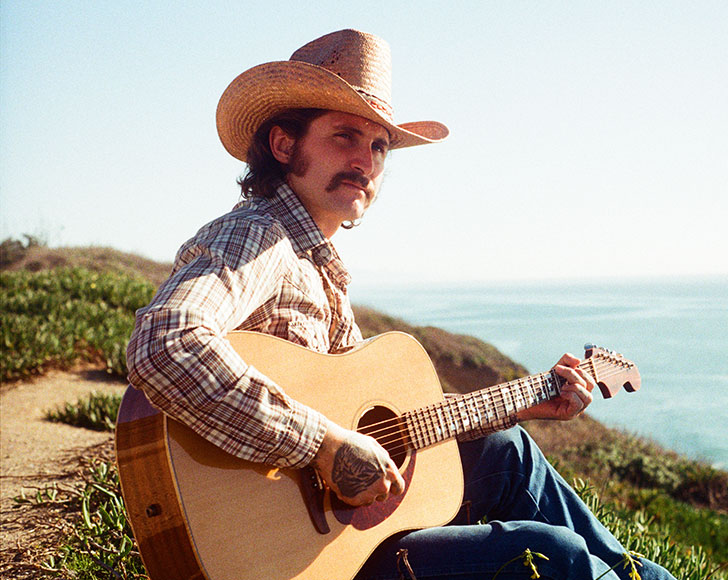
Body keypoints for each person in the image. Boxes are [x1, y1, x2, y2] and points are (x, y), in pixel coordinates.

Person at [126, 29, 677, 580]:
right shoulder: (258, 237)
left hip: (336, 535)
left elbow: (372, 420)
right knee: (550, 552)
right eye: (345, 136)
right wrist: (323, 445)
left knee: (505, 450)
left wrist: (523, 402)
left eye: (380, 147)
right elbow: (164, 343)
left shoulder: (316, 263)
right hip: (290, 561)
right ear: (284, 145)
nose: (365, 161)